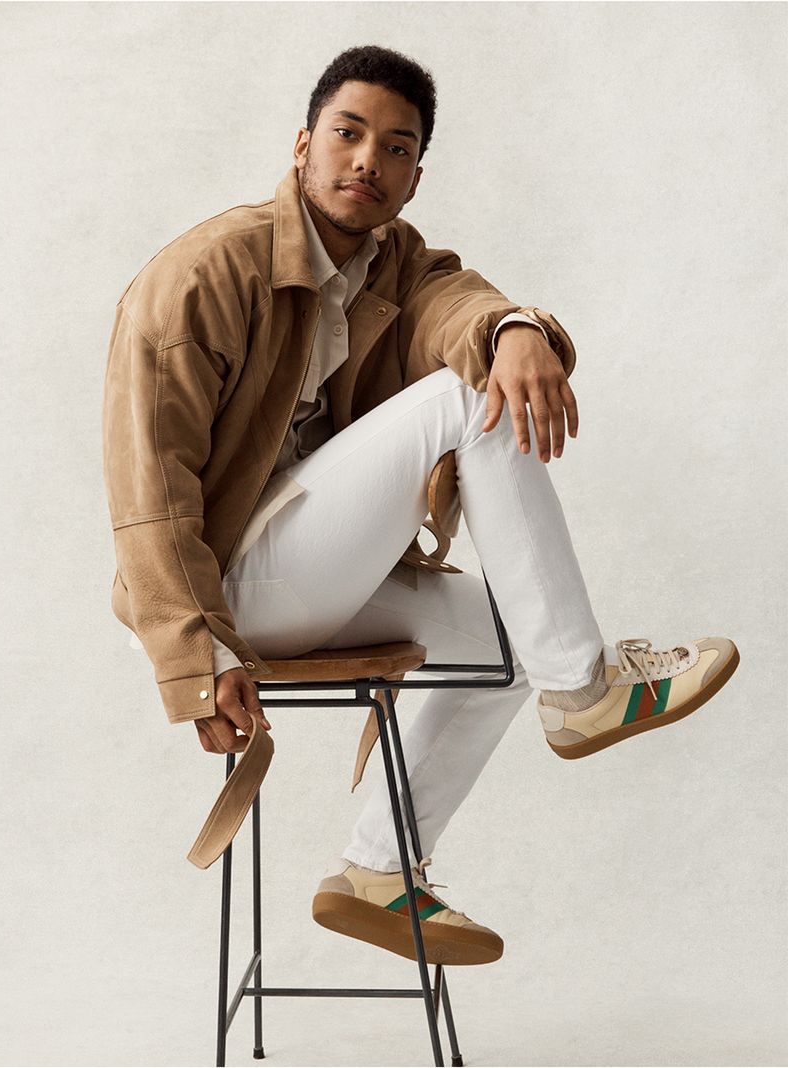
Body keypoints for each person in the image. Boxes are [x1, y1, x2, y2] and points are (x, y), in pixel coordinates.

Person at [102, 44, 739, 967]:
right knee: (466, 402)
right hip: (216, 594)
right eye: (348, 134)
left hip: (300, 572)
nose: (368, 160)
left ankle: (379, 868)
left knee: (509, 642)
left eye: (396, 148)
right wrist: (196, 657)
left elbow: (453, 299)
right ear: (302, 145)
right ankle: (586, 690)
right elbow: (148, 491)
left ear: (413, 177)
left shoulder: (391, 261)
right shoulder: (202, 277)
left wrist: (514, 328)